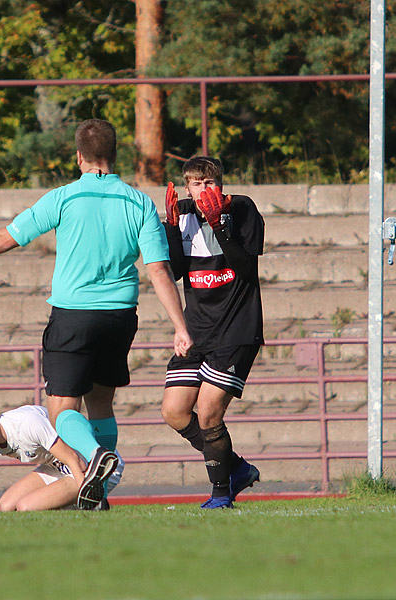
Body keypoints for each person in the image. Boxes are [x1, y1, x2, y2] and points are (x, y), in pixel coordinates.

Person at [0, 119, 192, 510]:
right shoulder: (139, 202)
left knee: (60, 412)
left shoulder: (64, 198)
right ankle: (97, 492)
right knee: (102, 405)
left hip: (75, 315)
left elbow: (7, 238)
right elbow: (158, 269)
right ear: (114, 155)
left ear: (79, 157)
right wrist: (180, 326)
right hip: (121, 316)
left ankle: (95, 460)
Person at [160, 156, 264, 508]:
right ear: (186, 186)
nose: (202, 189)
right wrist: (171, 227)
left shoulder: (243, 209)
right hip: (197, 332)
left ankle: (221, 496)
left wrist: (220, 224)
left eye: (208, 182)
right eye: (195, 183)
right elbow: (174, 271)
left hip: (237, 330)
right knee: (174, 412)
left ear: (220, 184)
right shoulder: (183, 214)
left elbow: (246, 268)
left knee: (208, 413)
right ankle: (235, 468)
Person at [0, 394, 99, 511]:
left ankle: (83, 505)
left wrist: (91, 497)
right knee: (6, 506)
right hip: (58, 465)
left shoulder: (26, 423)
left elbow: (74, 458)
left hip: (87, 465)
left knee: (25, 506)